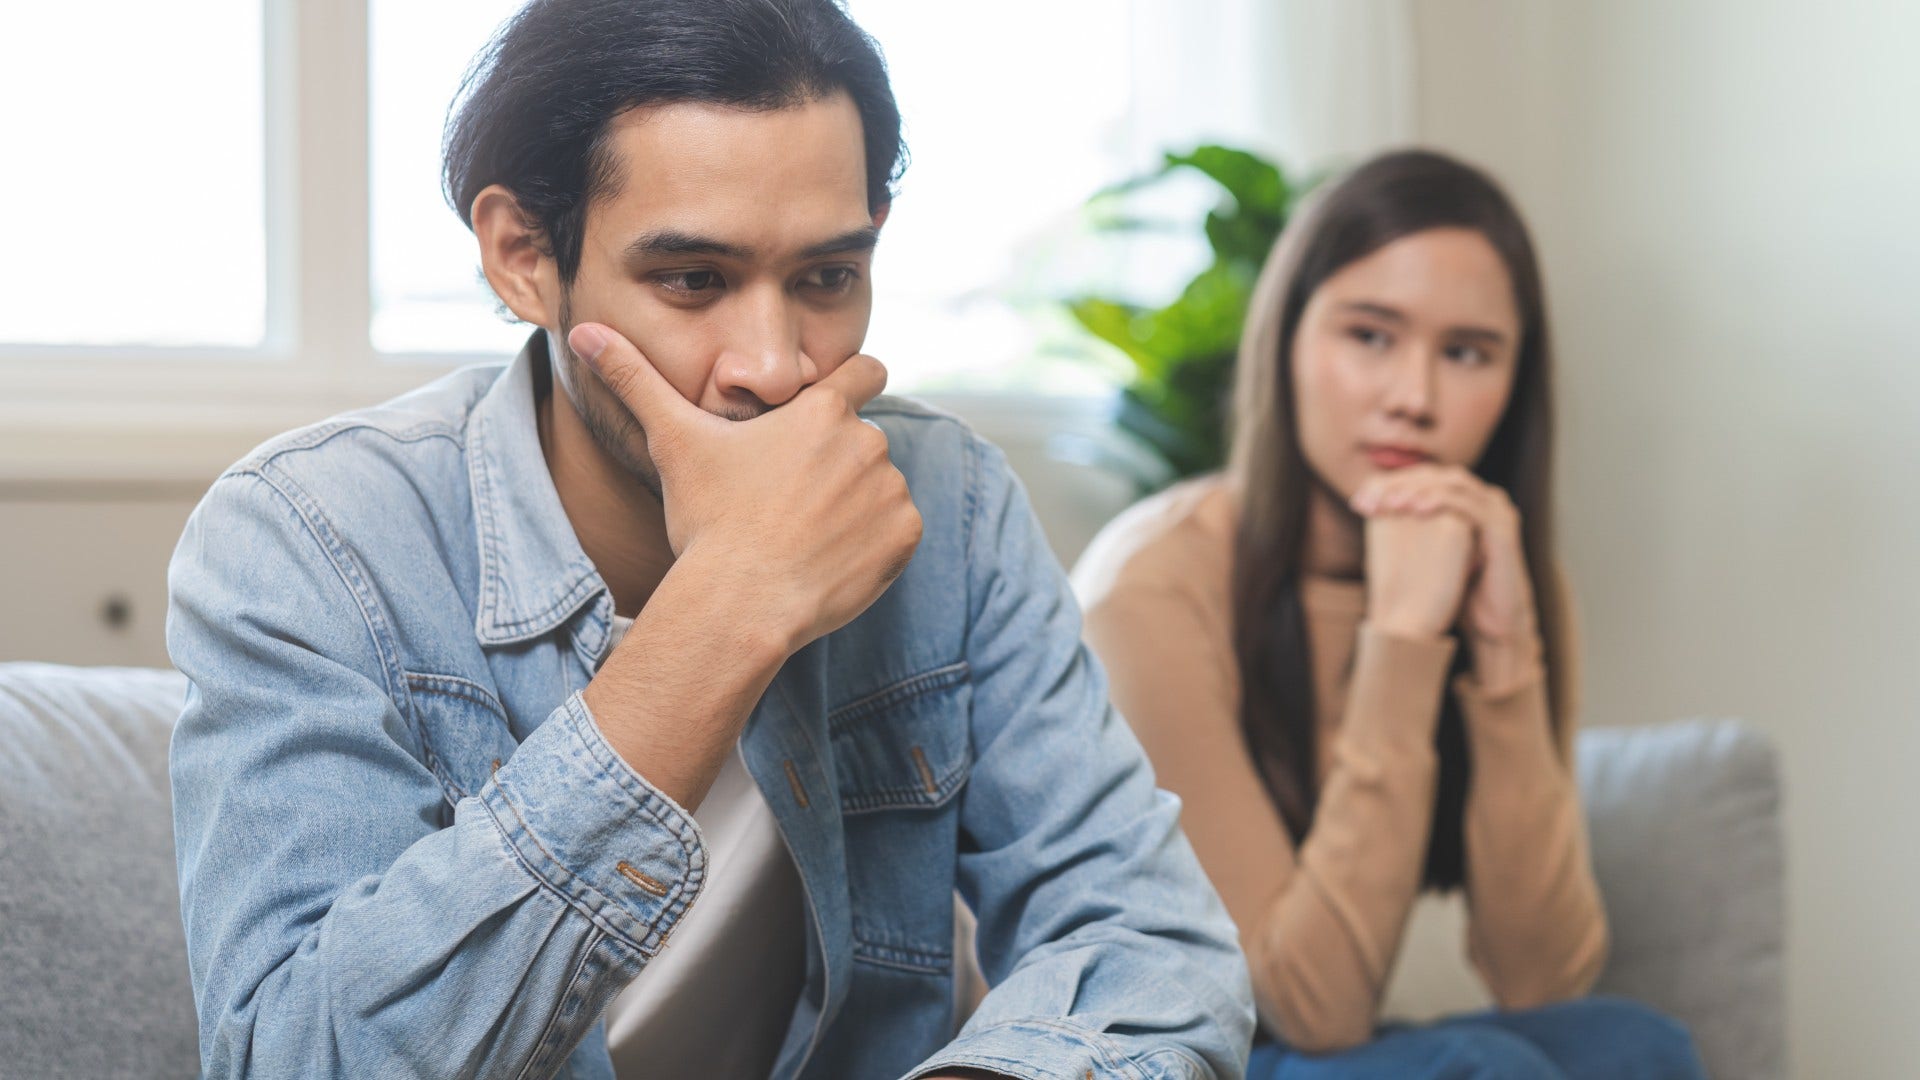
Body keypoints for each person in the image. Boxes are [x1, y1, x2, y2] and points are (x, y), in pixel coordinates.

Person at [164, 2, 1252, 1077]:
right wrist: (725, 611)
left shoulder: (950, 503)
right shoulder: (311, 538)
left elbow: (1154, 952)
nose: (774, 368)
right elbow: (298, 1061)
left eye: (827, 277)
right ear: (523, 255)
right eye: (693, 281)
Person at [1071, 150, 1706, 1078]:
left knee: (1639, 1046)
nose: (1414, 399)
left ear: (1514, 385)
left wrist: (1504, 653)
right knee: (1487, 1069)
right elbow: (1306, 1008)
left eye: (1467, 353)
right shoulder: (1154, 584)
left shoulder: (1504, 578)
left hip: (1314, 1039)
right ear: (1288, 341)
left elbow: (1543, 979)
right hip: (1155, 1046)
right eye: (1370, 336)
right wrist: (1403, 642)